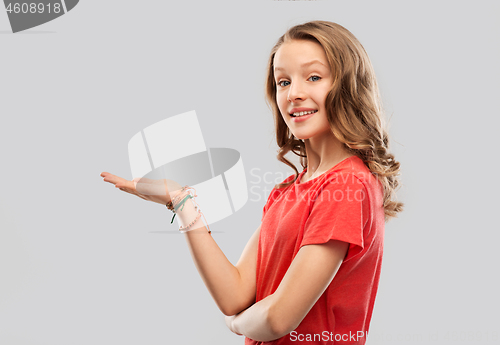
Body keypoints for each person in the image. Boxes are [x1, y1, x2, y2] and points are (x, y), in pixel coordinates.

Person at [101, 20, 403, 344]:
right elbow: (234, 294)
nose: (295, 94)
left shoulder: (347, 186)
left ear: (346, 86)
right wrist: (181, 202)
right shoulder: (288, 191)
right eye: (283, 82)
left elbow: (277, 319)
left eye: (314, 77)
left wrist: (236, 324)